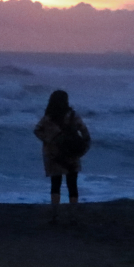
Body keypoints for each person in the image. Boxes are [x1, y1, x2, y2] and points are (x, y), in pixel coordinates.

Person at [33, 89, 90, 220]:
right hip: (71, 154)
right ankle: (73, 215)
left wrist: (49, 140)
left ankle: (55, 215)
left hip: (54, 156)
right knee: (72, 185)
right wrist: (82, 150)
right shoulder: (73, 116)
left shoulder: (48, 118)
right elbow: (85, 133)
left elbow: (36, 130)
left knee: (55, 184)